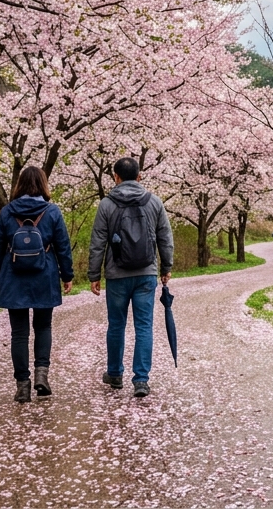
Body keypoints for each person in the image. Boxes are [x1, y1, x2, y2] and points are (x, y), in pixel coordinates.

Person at [88, 157, 174, 398]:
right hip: (146, 273)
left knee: (116, 324)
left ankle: (115, 374)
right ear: (139, 176)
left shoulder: (106, 204)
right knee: (144, 325)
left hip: (116, 275)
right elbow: (165, 238)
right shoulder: (154, 202)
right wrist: (166, 267)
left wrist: (94, 274)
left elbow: (97, 243)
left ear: (116, 177)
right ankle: (141, 380)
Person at [0, 166, 74, 403]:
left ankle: (22, 386)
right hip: (44, 275)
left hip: (13, 276)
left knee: (19, 333)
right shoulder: (52, 211)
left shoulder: (7, 212)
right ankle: (42, 377)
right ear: (43, 185)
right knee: (43, 327)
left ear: (20, 185)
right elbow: (63, 247)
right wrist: (67, 275)